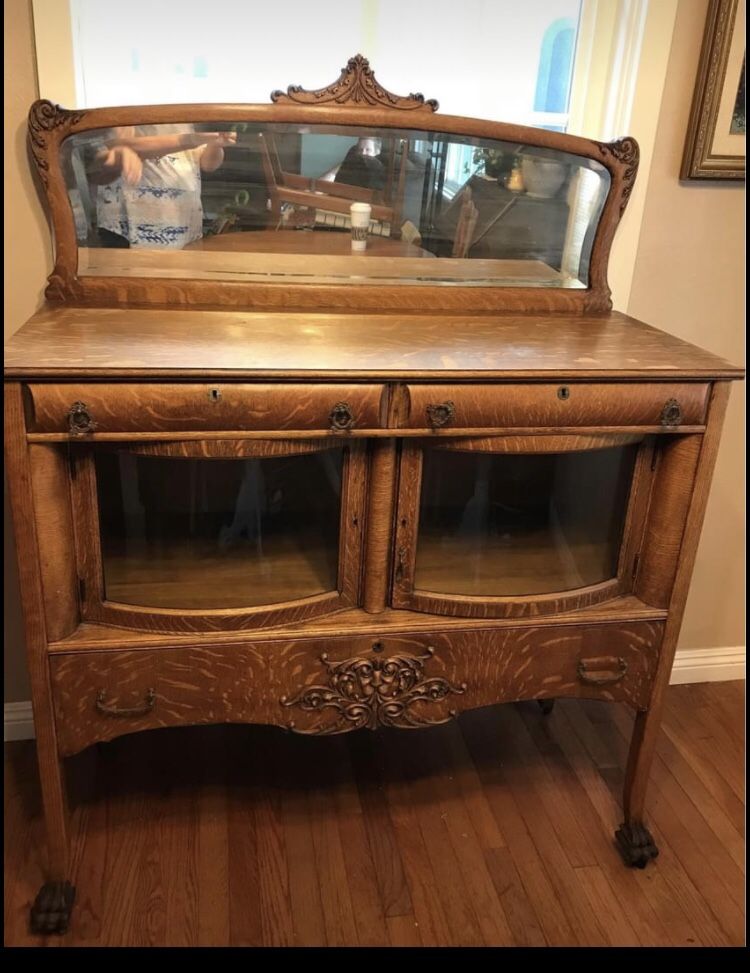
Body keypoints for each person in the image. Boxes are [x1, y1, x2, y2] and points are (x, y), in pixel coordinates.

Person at [90, 124, 237, 249]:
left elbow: (207, 165)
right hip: (132, 227)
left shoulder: (185, 110)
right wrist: (192, 139)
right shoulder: (129, 101)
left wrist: (215, 143)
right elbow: (120, 145)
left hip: (182, 224)